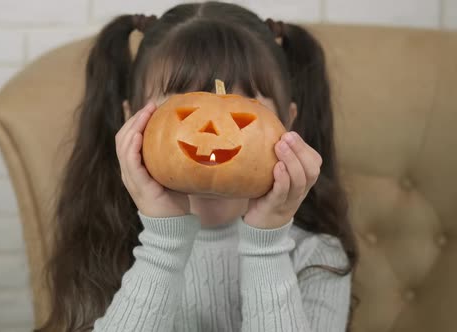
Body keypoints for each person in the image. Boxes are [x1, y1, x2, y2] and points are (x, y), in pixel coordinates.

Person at [36, 2, 358, 331]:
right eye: (184, 107)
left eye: (241, 108)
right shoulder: (105, 243)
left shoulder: (317, 257)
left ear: (288, 122)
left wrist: (266, 243)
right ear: (131, 119)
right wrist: (163, 242)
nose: (211, 128)